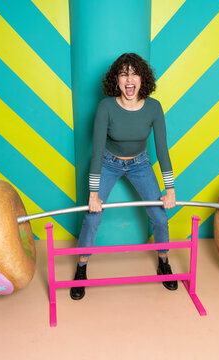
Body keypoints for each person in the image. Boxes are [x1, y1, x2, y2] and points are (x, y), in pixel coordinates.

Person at [71, 53, 177, 300]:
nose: (129, 80)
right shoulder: (106, 107)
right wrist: (94, 194)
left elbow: (162, 150)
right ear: (116, 81)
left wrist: (169, 189)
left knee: (160, 218)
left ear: (142, 78)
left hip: (141, 164)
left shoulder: (154, 107)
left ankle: (164, 261)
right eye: (123, 74)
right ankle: (81, 268)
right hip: (108, 163)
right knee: (91, 218)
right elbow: (96, 151)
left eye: (134, 73)